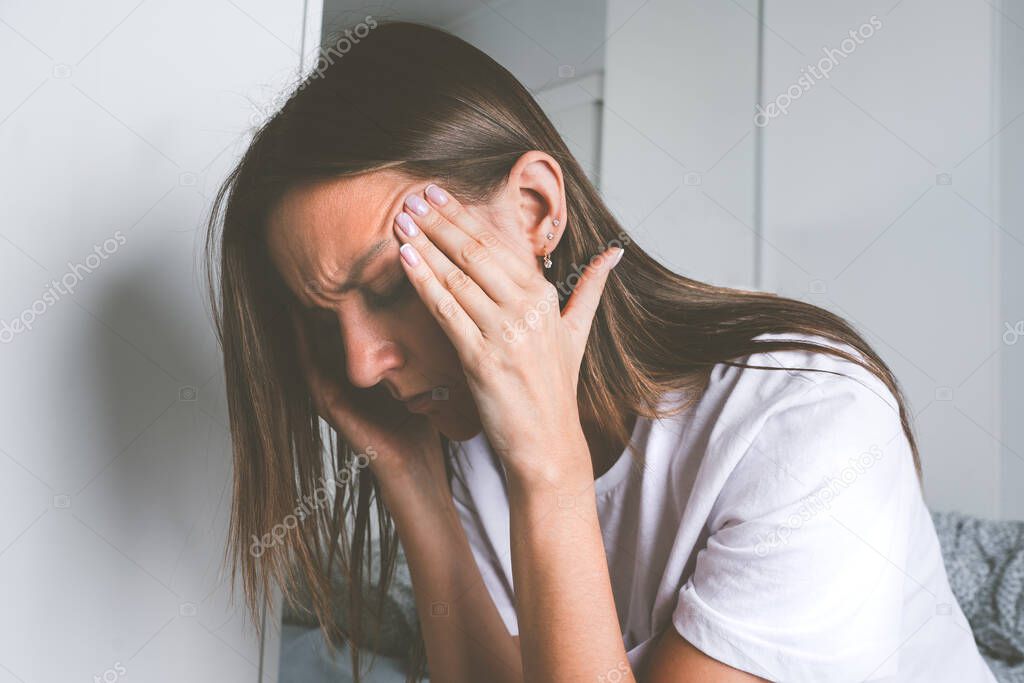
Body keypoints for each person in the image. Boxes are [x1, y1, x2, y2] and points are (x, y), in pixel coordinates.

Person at [204, 19, 996, 683]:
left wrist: (550, 470)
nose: (361, 364)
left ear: (535, 210)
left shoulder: (811, 423)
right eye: (323, 318)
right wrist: (410, 477)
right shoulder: (467, 433)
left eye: (389, 287)